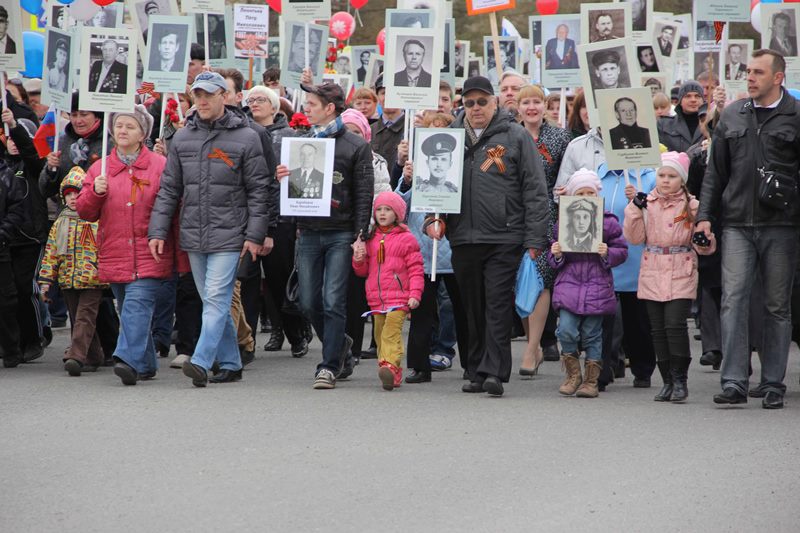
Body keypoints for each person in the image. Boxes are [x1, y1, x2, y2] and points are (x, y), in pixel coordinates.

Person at [421, 76, 549, 397]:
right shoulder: (448, 138)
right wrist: (431, 218)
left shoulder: (515, 135)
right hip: (463, 236)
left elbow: (535, 189)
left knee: (495, 303)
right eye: (469, 103)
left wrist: (535, 240)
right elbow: (434, 184)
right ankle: (475, 369)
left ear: (494, 102)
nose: (476, 108)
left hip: (504, 236)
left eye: (482, 102)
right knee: (472, 306)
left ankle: (494, 371)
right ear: (462, 105)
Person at [148, 71, 269, 388]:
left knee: (216, 299)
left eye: (208, 94)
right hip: (193, 234)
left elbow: (260, 190)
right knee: (212, 302)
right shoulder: (183, 138)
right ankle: (231, 362)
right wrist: (158, 230)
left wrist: (255, 234)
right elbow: (170, 189)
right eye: (197, 95)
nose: (201, 100)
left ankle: (200, 360)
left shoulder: (247, 137)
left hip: (231, 235)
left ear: (223, 97)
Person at [697, 49, 800, 409]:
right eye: (748, 71)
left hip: (782, 225)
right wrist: (705, 217)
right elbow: (715, 173)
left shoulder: (796, 115)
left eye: (758, 72)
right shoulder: (731, 115)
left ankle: (773, 383)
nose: (750, 77)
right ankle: (734, 381)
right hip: (737, 223)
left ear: (778, 78)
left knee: (776, 306)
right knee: (733, 300)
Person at [275, 81, 374, 390]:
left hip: (341, 233)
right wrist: (283, 179)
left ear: (330, 108)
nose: (306, 107)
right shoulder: (302, 142)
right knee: (306, 301)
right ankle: (340, 342)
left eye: (313, 104)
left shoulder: (356, 146)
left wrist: (359, 235)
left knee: (333, 300)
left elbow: (364, 194)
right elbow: (292, 193)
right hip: (308, 232)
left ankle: (328, 365)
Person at [77, 105, 181, 384]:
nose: (123, 131)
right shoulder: (100, 168)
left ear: (143, 133)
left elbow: (174, 208)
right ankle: (146, 363)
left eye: (130, 126)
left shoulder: (160, 165)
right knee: (131, 310)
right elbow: (85, 212)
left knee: (136, 307)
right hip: (114, 252)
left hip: (151, 252)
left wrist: (180, 255)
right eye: (119, 125)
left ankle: (127, 359)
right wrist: (95, 194)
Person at [624, 152, 711, 403]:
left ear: (681, 179)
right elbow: (635, 238)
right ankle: (666, 381)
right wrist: (633, 210)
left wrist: (704, 241)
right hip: (653, 267)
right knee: (658, 329)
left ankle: (680, 379)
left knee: (674, 325)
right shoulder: (648, 203)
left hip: (680, 267)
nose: (665, 180)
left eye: (671, 176)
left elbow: (705, 244)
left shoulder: (692, 205)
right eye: (661, 175)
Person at [549, 169, 628, 398]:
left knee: (593, 334)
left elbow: (622, 251)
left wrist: (607, 253)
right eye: (580, 192)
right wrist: (556, 253)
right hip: (569, 286)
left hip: (597, 286)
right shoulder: (563, 222)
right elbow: (554, 256)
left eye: (590, 192)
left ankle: (591, 380)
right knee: (565, 330)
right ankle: (573, 375)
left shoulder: (608, 222)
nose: (586, 196)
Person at [515, 84, 573, 375]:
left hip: (549, 214)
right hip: (516, 214)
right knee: (521, 280)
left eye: (536, 101)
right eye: (526, 102)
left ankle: (530, 348)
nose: (532, 107)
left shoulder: (561, 137)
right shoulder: (511, 135)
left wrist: (568, 186)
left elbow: (573, 172)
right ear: (518, 107)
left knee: (541, 277)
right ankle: (533, 343)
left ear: (545, 105)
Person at [352, 191, 424, 390]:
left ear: (398, 213)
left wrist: (414, 294)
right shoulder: (369, 238)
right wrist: (358, 259)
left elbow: (416, 269)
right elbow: (363, 270)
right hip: (376, 298)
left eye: (388, 209)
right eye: (379, 210)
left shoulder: (407, 239)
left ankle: (389, 366)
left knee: (390, 333)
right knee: (379, 334)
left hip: (399, 298)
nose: (382, 213)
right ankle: (392, 371)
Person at [39, 169, 106, 376]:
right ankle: (94, 355)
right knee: (78, 318)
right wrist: (46, 279)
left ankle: (76, 355)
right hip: (68, 279)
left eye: (77, 193)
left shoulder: (96, 218)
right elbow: (51, 252)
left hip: (92, 278)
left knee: (84, 318)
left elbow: (106, 245)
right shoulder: (60, 222)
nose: (73, 198)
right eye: (68, 194)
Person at [0, 155, 25, 367]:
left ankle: (10, 349)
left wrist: (2, 234)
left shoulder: (6, 176)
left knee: (6, 301)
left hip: (0, 247)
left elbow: (17, 211)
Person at [657, 80, 706, 153]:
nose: (693, 100)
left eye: (697, 96)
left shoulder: (711, 124)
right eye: (688, 96)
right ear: (680, 101)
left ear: (703, 100)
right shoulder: (664, 125)